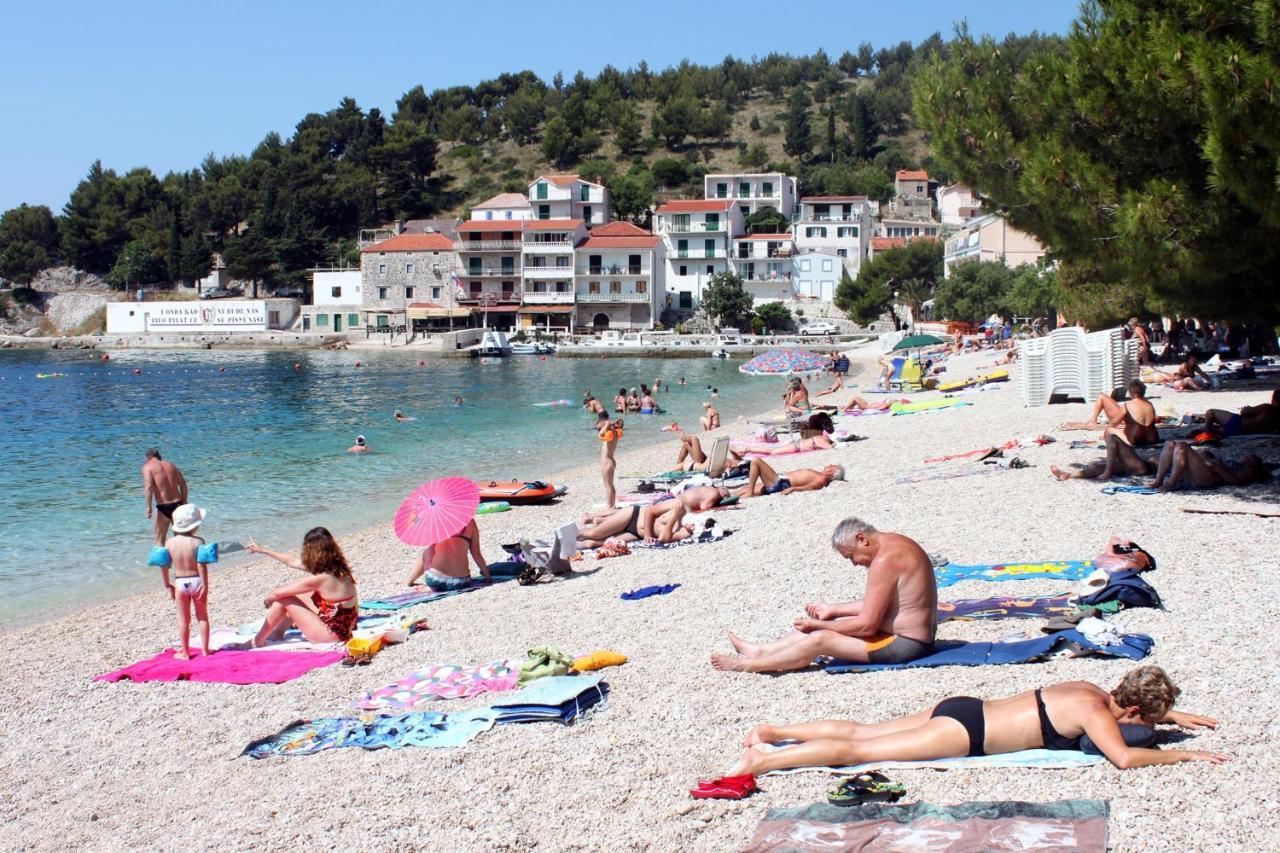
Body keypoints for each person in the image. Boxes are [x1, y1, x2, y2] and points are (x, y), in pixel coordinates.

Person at [721, 666, 1227, 775]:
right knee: (860, 752)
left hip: (963, 707)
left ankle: (772, 730)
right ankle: (763, 762)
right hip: (969, 735)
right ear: (1135, 710)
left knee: (862, 730)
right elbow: (1123, 757)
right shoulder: (1097, 714)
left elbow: (1133, 705)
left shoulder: (1093, 689)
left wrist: (1178, 714)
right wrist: (1182, 750)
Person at [711, 518, 935, 672]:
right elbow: (886, 602)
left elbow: (867, 626)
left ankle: (750, 666)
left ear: (862, 539)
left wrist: (818, 626)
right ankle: (760, 651)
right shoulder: (892, 543)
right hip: (899, 631)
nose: (855, 564)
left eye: (851, 556)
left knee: (821, 638)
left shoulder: (885, 561)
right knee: (830, 621)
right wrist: (833, 610)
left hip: (908, 644)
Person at [245, 528, 359, 645]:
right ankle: (278, 633)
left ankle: (257, 641)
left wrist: (269, 600)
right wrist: (262, 550)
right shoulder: (337, 567)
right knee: (299, 595)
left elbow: (277, 593)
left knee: (284, 599)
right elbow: (292, 561)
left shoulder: (321, 578)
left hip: (332, 635)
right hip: (345, 627)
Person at [158, 504, 211, 660]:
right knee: (202, 617)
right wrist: (205, 585)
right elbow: (201, 565)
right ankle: (205, 651)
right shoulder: (199, 541)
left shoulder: (169, 543)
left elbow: (164, 566)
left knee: (183, 620)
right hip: (196, 580)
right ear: (194, 525)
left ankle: (185, 653)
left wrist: (167, 584)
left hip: (180, 582)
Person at [1059, 379, 1159, 446]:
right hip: (1152, 439)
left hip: (1134, 440)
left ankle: (1094, 421)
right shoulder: (1150, 405)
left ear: (1131, 392)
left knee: (1109, 430)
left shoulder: (1128, 405)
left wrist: (1106, 433)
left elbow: (1113, 423)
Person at [404, 517, 491, 589]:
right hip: (462, 582)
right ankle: (410, 580)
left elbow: (414, 524)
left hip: (435, 581)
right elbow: (476, 553)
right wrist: (488, 577)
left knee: (427, 552)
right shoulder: (470, 521)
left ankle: (409, 581)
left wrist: (417, 518)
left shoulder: (436, 521)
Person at [1152, 442, 1272, 492]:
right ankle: (1158, 481)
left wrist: (1217, 467)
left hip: (1210, 478)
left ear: (1253, 464)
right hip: (1206, 469)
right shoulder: (1235, 463)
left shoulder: (1247, 470)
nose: (1246, 457)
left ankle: (1171, 482)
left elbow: (1238, 482)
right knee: (1170, 444)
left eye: (1250, 458)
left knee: (1182, 446)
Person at [1051, 433, 1154, 481]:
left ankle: (1107, 472)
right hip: (1141, 466)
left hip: (1145, 467)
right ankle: (1068, 475)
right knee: (1099, 466)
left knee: (1112, 436)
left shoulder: (1168, 448)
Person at [142, 448, 189, 546]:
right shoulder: (171, 465)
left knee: (160, 540)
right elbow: (183, 484)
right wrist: (184, 501)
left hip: (164, 506)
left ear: (148, 457)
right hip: (178, 504)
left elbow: (149, 487)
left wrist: (148, 507)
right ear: (159, 456)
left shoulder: (147, 467)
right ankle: (182, 559)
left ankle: (164, 561)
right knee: (180, 538)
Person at [733, 459, 844, 499]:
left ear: (832, 473)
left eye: (832, 466)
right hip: (780, 480)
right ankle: (726, 498)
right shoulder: (820, 475)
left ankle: (750, 493)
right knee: (744, 489)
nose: (829, 465)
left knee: (756, 461)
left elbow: (811, 487)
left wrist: (793, 489)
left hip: (781, 483)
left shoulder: (822, 479)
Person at [1204, 389, 1280, 437]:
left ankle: (1206, 431)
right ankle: (1215, 430)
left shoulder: (1267, 408)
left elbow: (1244, 413)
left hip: (1239, 424)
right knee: (1218, 425)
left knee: (1211, 412)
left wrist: (1247, 408)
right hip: (1247, 432)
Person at [599, 415, 623, 509]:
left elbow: (601, 433)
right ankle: (613, 505)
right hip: (612, 461)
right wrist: (609, 425)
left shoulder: (609, 433)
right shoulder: (614, 433)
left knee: (607, 486)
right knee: (611, 485)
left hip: (606, 461)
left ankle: (609, 505)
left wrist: (607, 425)